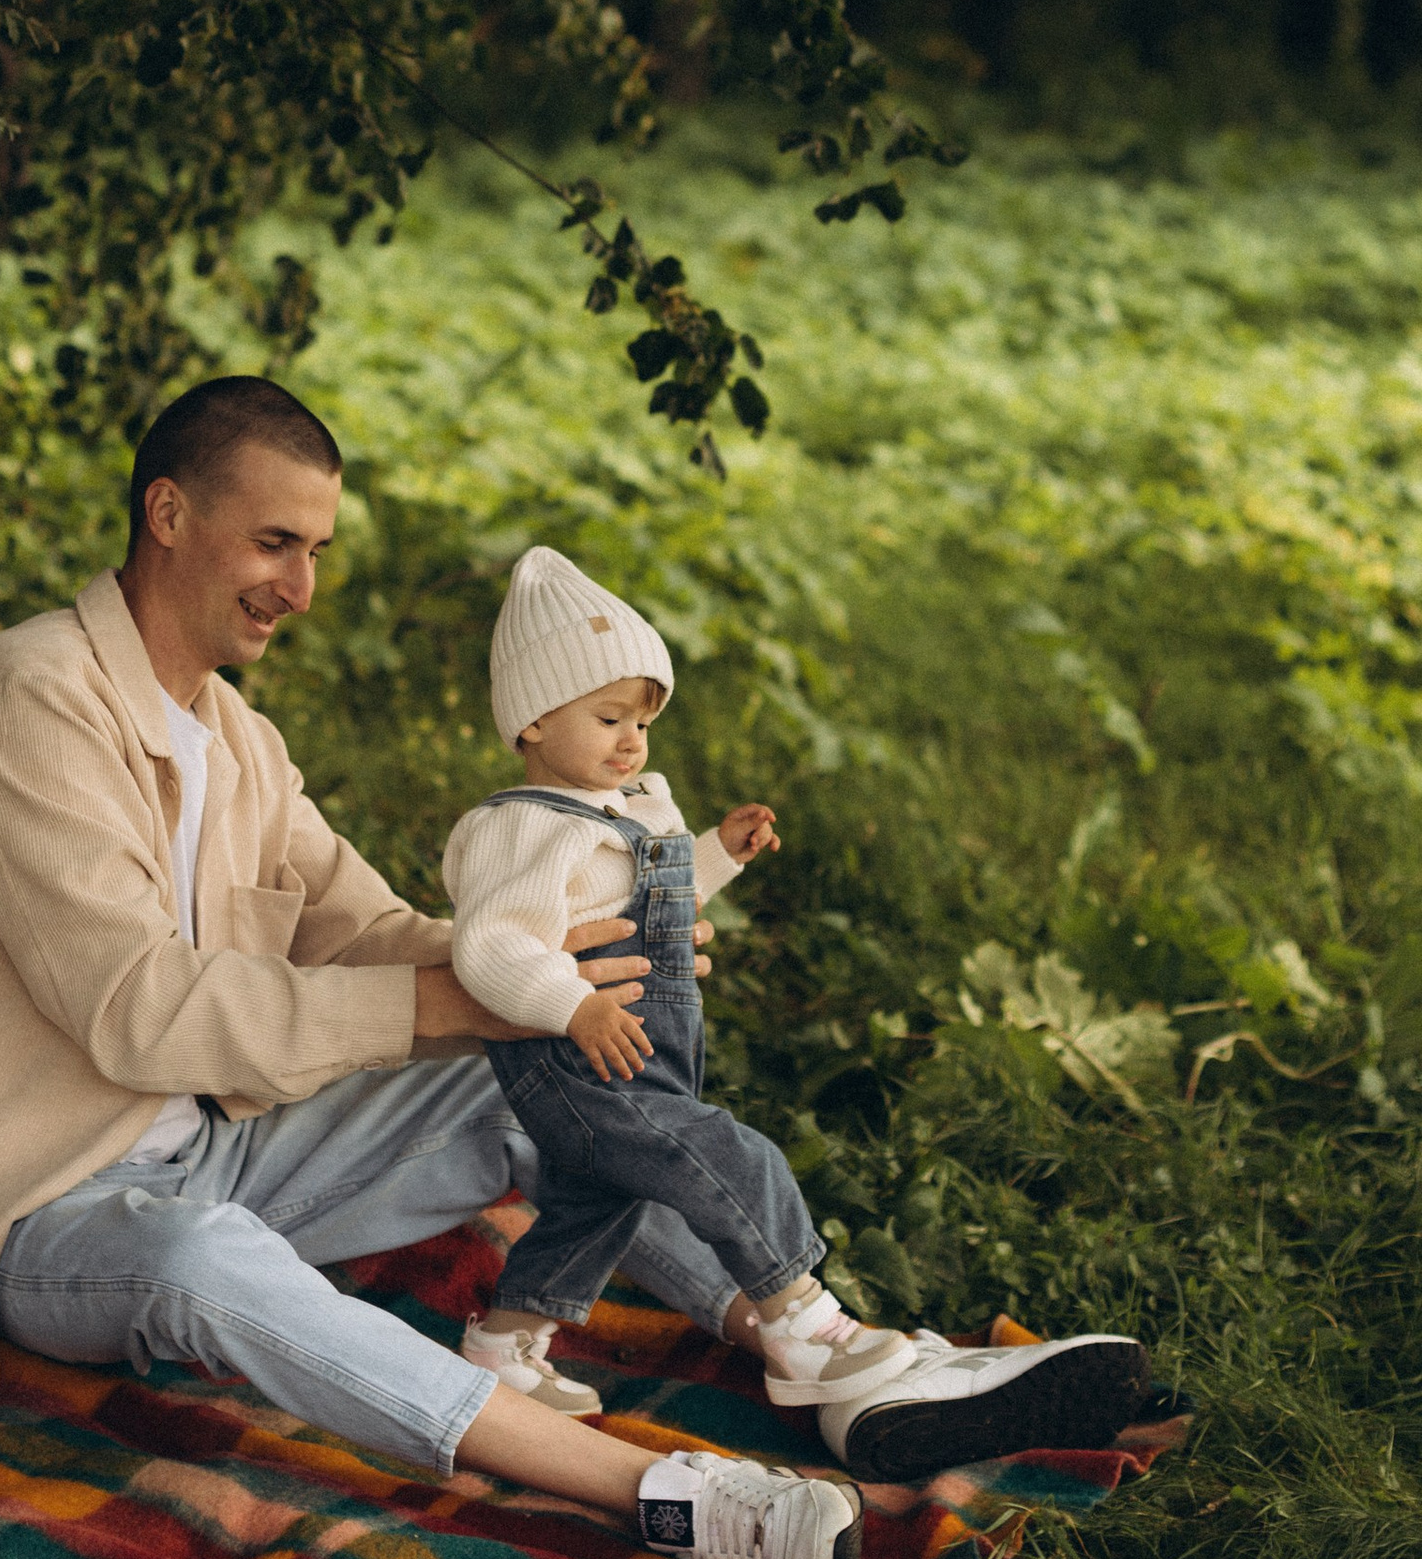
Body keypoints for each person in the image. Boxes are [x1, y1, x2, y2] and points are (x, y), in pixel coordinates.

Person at [0, 376, 866, 1559]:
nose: (299, 588)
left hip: (223, 1150)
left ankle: (820, 1346)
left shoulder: (241, 743)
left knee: (540, 1065)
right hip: (22, 1202)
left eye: (314, 551)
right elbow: (138, 1009)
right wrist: (469, 998)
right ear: (166, 513)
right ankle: (666, 1497)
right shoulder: (25, 699)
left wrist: (562, 966)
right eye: (272, 542)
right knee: (203, 1257)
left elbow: (371, 931)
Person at [444, 547, 1165, 1477]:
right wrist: (571, 1005)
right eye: (609, 718)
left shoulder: (625, 808)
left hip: (640, 1052)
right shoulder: (522, 826)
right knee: (728, 1156)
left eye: (644, 720)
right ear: (534, 721)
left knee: (601, 1204)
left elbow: (653, 906)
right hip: (580, 1063)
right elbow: (492, 948)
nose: (632, 741)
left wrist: (719, 855)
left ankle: (505, 1348)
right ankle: (803, 1322)